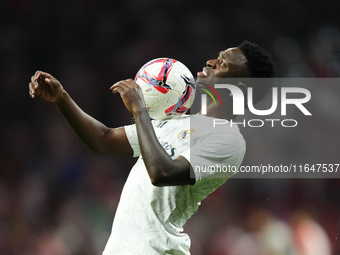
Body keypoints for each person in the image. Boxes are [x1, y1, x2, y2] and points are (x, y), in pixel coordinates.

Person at [28, 40, 276, 255]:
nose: (211, 61)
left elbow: (163, 173)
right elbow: (102, 139)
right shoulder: (177, 120)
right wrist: (61, 98)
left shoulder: (229, 140)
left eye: (222, 63)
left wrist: (140, 111)